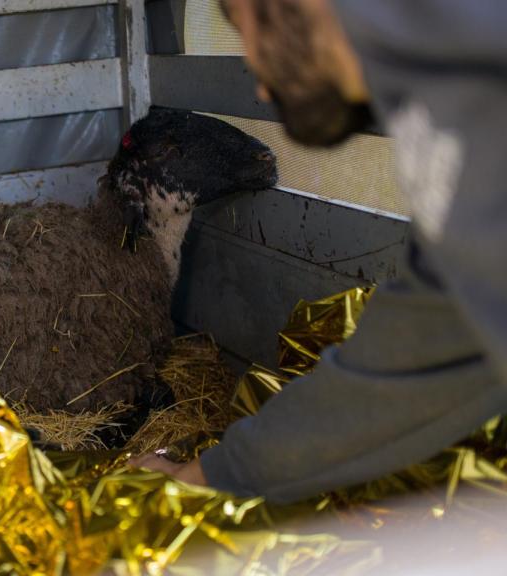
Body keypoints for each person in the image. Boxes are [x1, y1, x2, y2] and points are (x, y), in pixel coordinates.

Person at [130, 0, 507, 503]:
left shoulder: (476, 91)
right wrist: (209, 474)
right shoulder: (453, 103)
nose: (262, 89)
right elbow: (428, 341)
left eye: (246, 31)